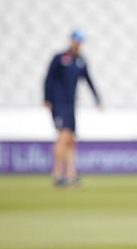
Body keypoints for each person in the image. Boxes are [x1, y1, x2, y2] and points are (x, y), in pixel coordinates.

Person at [43, 29, 102, 186]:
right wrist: (47, 98)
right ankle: (57, 174)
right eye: (76, 40)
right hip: (58, 103)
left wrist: (97, 99)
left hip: (70, 104)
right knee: (63, 136)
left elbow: (89, 80)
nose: (78, 43)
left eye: (80, 41)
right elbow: (48, 78)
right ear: (71, 40)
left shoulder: (80, 61)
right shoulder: (60, 58)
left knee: (70, 140)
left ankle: (71, 174)